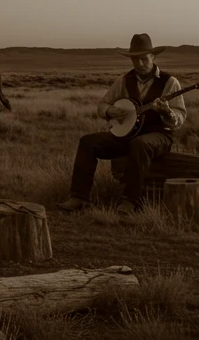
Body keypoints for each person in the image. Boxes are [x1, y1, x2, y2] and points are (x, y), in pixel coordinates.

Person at [56, 33, 187, 214]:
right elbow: (103, 104)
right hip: (127, 134)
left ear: (153, 57)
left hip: (160, 136)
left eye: (144, 59)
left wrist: (166, 112)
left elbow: (180, 117)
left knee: (139, 144)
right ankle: (78, 197)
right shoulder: (124, 80)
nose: (139, 64)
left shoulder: (170, 82)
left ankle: (130, 201)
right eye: (135, 60)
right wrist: (109, 111)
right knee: (88, 142)